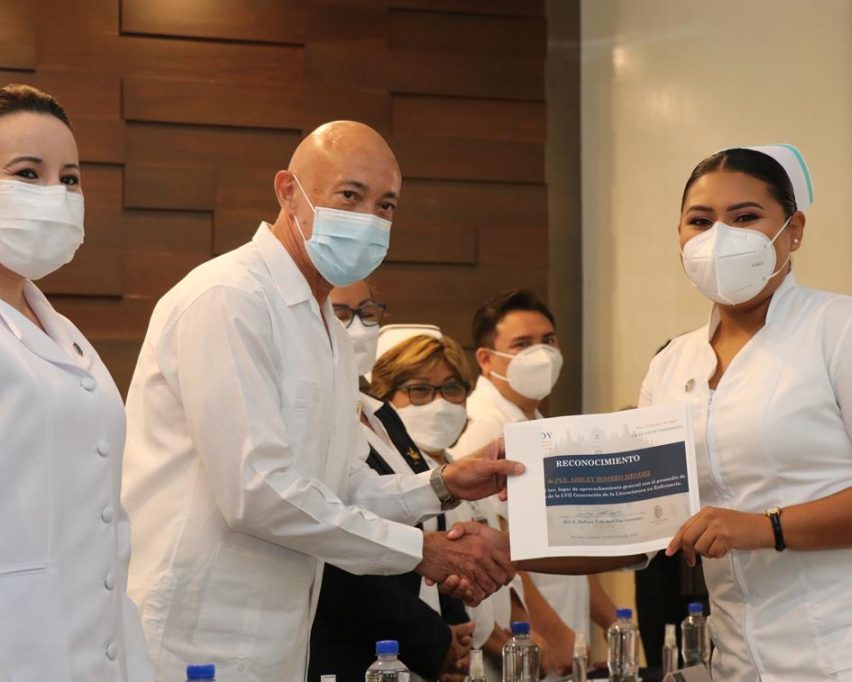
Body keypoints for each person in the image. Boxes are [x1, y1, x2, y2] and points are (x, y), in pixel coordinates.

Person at [122, 121, 521, 681]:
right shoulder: (230, 298)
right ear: (289, 191)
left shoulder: (326, 326)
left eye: (385, 205)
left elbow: (340, 486)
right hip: (194, 631)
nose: (369, 219)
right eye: (349, 195)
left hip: (279, 638)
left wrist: (441, 485)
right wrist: (423, 550)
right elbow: (257, 492)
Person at [646, 144, 852, 680]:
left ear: (794, 230)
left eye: (745, 217)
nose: (720, 238)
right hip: (746, 661)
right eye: (701, 222)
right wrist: (526, 503)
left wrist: (767, 527)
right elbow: (643, 513)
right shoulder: (670, 367)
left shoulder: (850, 329)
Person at [0, 84, 153, 680]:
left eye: (69, 179)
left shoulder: (64, 331)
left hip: (96, 645)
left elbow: (106, 521)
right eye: (27, 174)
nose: (55, 195)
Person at [308, 284, 473, 682]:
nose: (358, 328)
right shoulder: (317, 414)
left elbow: (421, 521)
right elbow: (339, 549)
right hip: (353, 649)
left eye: (368, 313)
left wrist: (451, 623)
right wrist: (433, 639)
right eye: (341, 314)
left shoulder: (380, 415)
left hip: (409, 646)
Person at [450, 290, 617, 674]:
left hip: (563, 633)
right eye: (523, 344)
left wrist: (612, 619)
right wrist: (554, 635)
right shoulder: (483, 431)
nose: (541, 354)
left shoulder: (538, 425)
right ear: (486, 359)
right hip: (528, 642)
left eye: (548, 341)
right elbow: (499, 552)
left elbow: (571, 539)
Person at [371, 325, 542, 681]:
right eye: (420, 390)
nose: (439, 404)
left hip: (468, 653)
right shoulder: (388, 477)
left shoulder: (462, 471)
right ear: (383, 399)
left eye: (451, 389)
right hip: (413, 656)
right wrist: (446, 640)